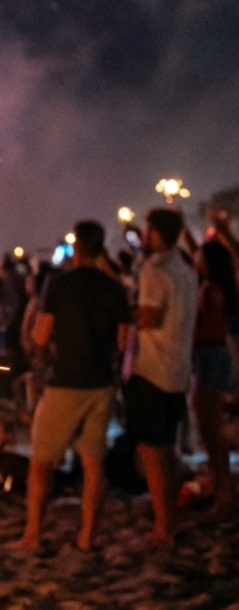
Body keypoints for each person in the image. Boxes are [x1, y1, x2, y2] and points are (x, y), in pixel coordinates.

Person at [17, 221, 130, 551]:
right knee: (93, 463)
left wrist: (46, 343)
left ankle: (33, 534)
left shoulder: (59, 284)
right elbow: (123, 342)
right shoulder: (114, 289)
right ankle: (86, 537)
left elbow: (41, 334)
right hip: (101, 384)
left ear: (76, 246)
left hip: (65, 382)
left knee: (41, 461)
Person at [124, 207, 197, 548]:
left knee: (152, 453)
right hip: (178, 368)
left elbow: (150, 318)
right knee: (168, 450)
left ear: (155, 234)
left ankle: (163, 528)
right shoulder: (185, 268)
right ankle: (173, 518)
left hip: (152, 369)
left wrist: (129, 312)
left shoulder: (155, 271)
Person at [191, 239, 237, 518]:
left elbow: (208, 329)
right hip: (216, 355)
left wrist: (185, 340)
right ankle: (222, 490)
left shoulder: (209, 289)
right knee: (212, 429)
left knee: (211, 430)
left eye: (199, 256)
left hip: (208, 356)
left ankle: (223, 494)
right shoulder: (223, 289)